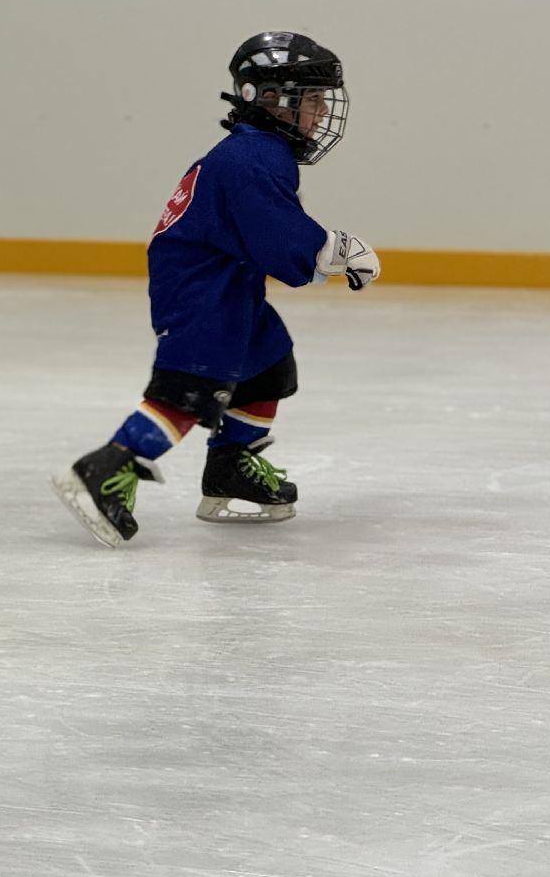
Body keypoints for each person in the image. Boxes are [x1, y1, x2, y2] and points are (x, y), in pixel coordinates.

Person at [52, 31, 380, 547]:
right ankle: (107, 469)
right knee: (192, 388)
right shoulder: (251, 159)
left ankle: (230, 468)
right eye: (311, 100)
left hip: (229, 283)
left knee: (266, 366)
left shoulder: (261, 151)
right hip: (202, 291)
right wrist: (336, 249)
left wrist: (324, 253)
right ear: (269, 99)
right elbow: (279, 238)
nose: (320, 113)